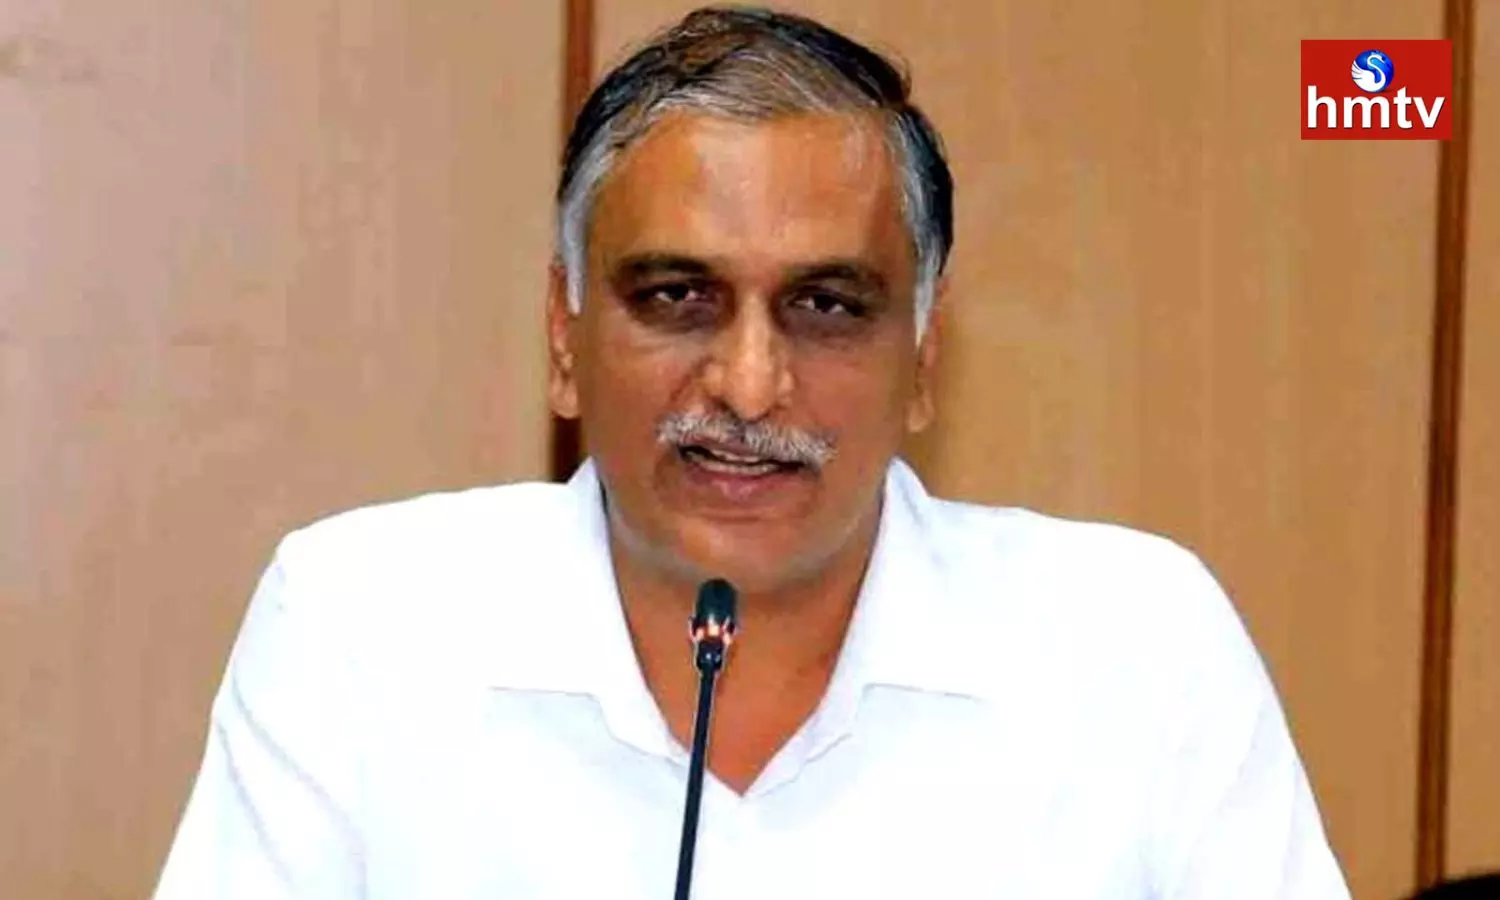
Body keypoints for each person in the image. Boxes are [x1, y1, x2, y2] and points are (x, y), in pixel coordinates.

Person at [154, 5, 1353, 897]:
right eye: (678, 297)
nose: (747, 384)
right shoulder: (361, 626)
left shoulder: (1138, 650)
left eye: (826, 306)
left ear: (922, 357)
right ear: (565, 338)